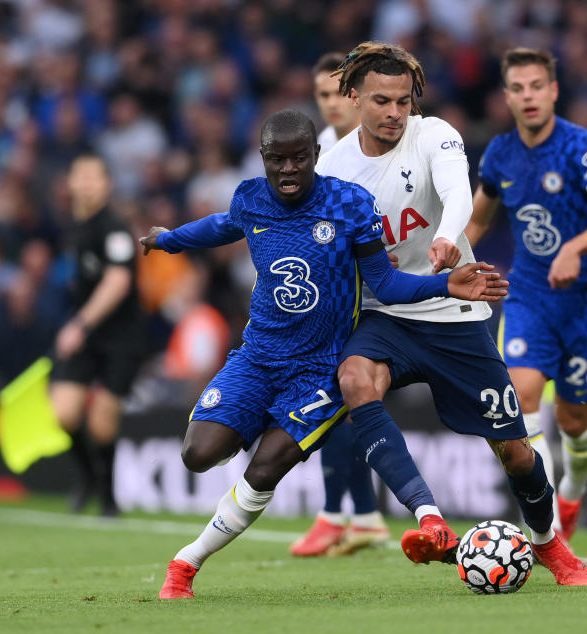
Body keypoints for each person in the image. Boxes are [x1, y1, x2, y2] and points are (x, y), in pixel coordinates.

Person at [146, 109, 508, 599]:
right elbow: (221, 226)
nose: (289, 169)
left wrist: (446, 284)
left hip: (320, 371)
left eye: (299, 158)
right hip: (257, 358)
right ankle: (252, 442)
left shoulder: (350, 205)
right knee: (198, 454)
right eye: (278, 160)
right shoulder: (250, 198)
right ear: (263, 159)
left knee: (264, 468)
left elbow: (384, 283)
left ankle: (186, 563)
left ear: (316, 156)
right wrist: (168, 240)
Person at [317, 41, 587, 585]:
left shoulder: (435, 133)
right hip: (385, 314)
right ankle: (430, 519)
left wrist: (447, 238)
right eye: (381, 101)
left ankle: (547, 544)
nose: (395, 112)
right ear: (353, 98)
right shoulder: (334, 167)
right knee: (355, 380)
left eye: (403, 100)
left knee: (514, 452)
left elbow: (458, 194)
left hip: (454, 310)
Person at [466, 47, 587, 543]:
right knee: (521, 400)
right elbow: (477, 219)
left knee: (574, 419)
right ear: (507, 97)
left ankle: (574, 488)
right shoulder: (500, 154)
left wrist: (575, 248)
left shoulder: (582, 147)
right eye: (518, 88)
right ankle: (549, 529)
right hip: (530, 295)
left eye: (537, 85)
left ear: (553, 90)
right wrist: (447, 257)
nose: (528, 96)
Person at [289, 52, 388, 558]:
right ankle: (361, 515)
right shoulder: (322, 151)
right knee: (341, 405)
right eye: (321, 95)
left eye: (336, 94)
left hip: (377, 299)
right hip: (338, 298)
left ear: (355, 96)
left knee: (343, 403)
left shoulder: (377, 150)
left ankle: (340, 514)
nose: (330, 104)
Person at [49, 154, 146, 516]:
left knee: (103, 420)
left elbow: (118, 282)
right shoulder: (74, 225)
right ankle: (88, 474)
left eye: (94, 177)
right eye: (80, 176)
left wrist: (80, 325)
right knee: (63, 413)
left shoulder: (114, 228)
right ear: (70, 183)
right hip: (87, 334)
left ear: (108, 184)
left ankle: (107, 497)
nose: (87, 183)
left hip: (119, 335)